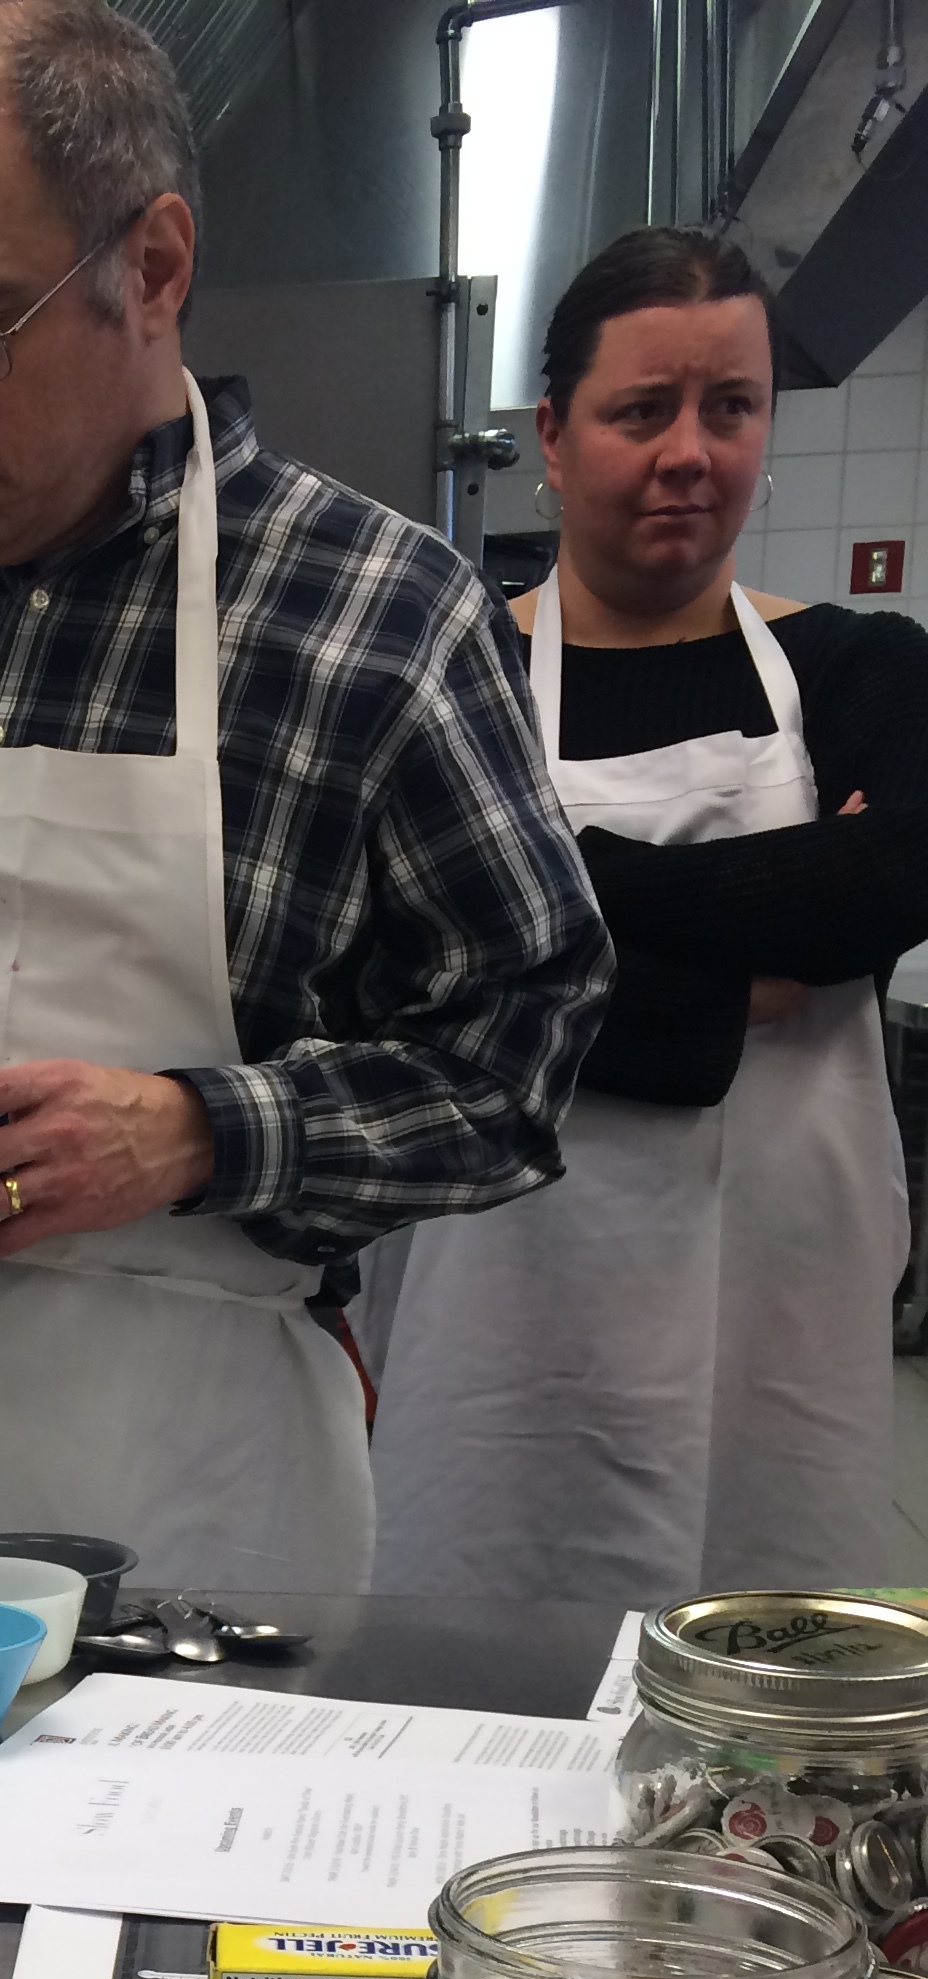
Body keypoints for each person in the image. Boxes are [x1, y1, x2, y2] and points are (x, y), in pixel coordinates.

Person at [0, 0, 610, 1591]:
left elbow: (515, 1056)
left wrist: (200, 1135)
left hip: (177, 1532)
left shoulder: (376, 624)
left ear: (153, 267)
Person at [370, 229, 928, 1602]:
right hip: (504, 1325)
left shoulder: (863, 666)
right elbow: (388, 980)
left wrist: (542, 908)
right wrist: (751, 956)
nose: (692, 450)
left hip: (779, 1327)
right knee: (481, 1696)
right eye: (642, 411)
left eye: (730, 407)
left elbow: (878, 892)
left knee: (768, 1706)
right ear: (554, 436)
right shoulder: (448, 682)